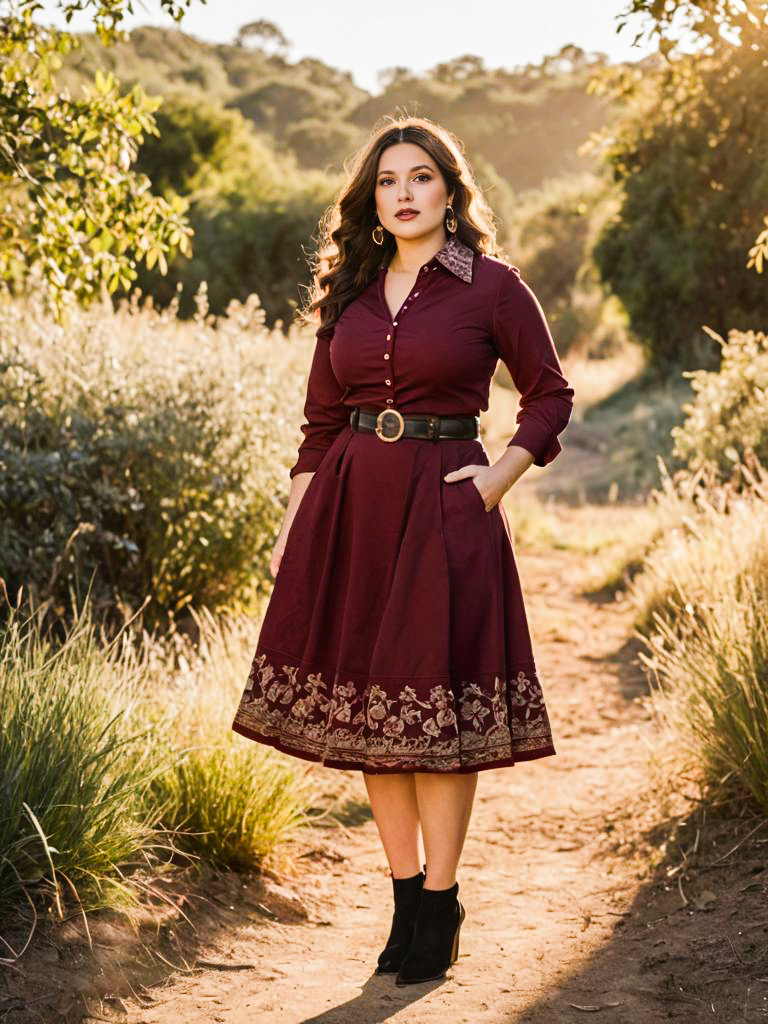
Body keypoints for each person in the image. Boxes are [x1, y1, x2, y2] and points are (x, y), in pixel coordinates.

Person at [231, 115, 574, 986]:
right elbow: (316, 424)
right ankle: (403, 895)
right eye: (388, 181)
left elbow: (549, 395)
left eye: (421, 177)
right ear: (372, 200)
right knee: (371, 720)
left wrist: (497, 479)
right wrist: (295, 522)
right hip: (351, 509)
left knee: (434, 716)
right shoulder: (348, 289)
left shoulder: (492, 287)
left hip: (445, 511)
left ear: (450, 192)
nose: (404, 194)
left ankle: (444, 901)